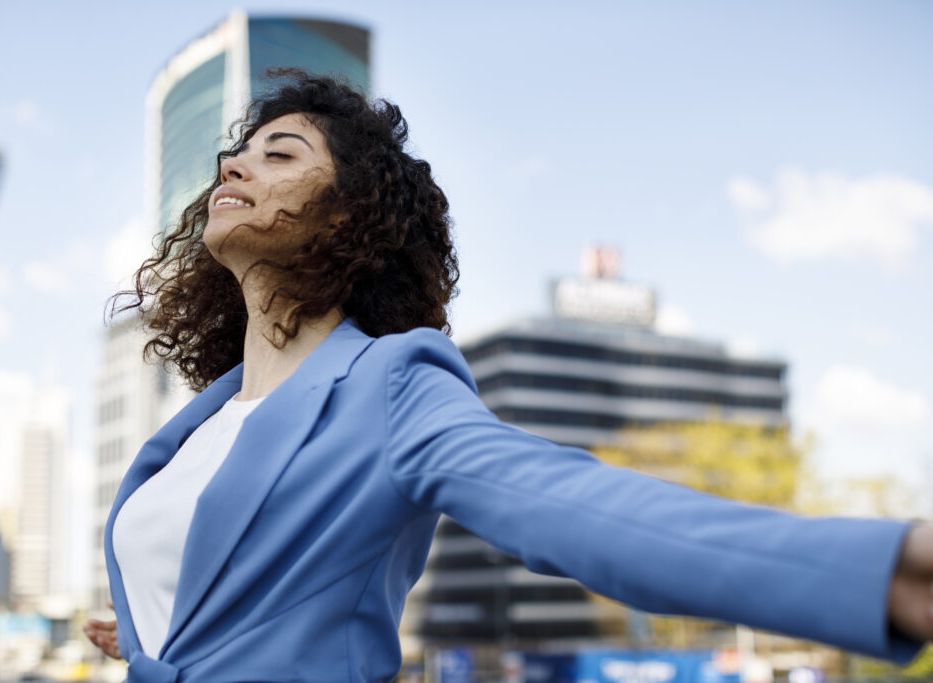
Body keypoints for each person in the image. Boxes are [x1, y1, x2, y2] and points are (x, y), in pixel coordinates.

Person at [85, 72, 933, 682]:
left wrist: (881, 571)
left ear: (348, 214)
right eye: (235, 154)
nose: (234, 166)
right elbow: (225, 603)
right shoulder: (196, 427)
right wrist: (154, 629)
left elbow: (579, 510)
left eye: (279, 154)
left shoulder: (390, 383)